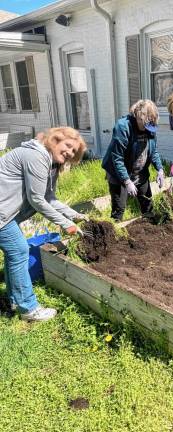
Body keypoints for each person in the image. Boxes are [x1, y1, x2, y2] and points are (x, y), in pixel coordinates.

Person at [0, 127, 87, 321]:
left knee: (14, 253)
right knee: (19, 251)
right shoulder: (36, 156)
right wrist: (67, 225)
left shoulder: (50, 163)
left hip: (5, 213)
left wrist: (75, 215)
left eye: (74, 151)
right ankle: (29, 309)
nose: (69, 152)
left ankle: (15, 299)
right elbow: (37, 200)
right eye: (68, 146)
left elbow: (50, 197)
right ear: (55, 139)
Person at [102, 99, 164, 221]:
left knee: (147, 204)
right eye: (146, 124)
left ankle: (150, 228)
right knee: (119, 209)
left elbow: (153, 151)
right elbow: (117, 158)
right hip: (118, 174)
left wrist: (160, 169)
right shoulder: (123, 127)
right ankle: (115, 232)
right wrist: (127, 181)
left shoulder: (150, 128)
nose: (148, 128)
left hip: (140, 172)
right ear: (139, 117)